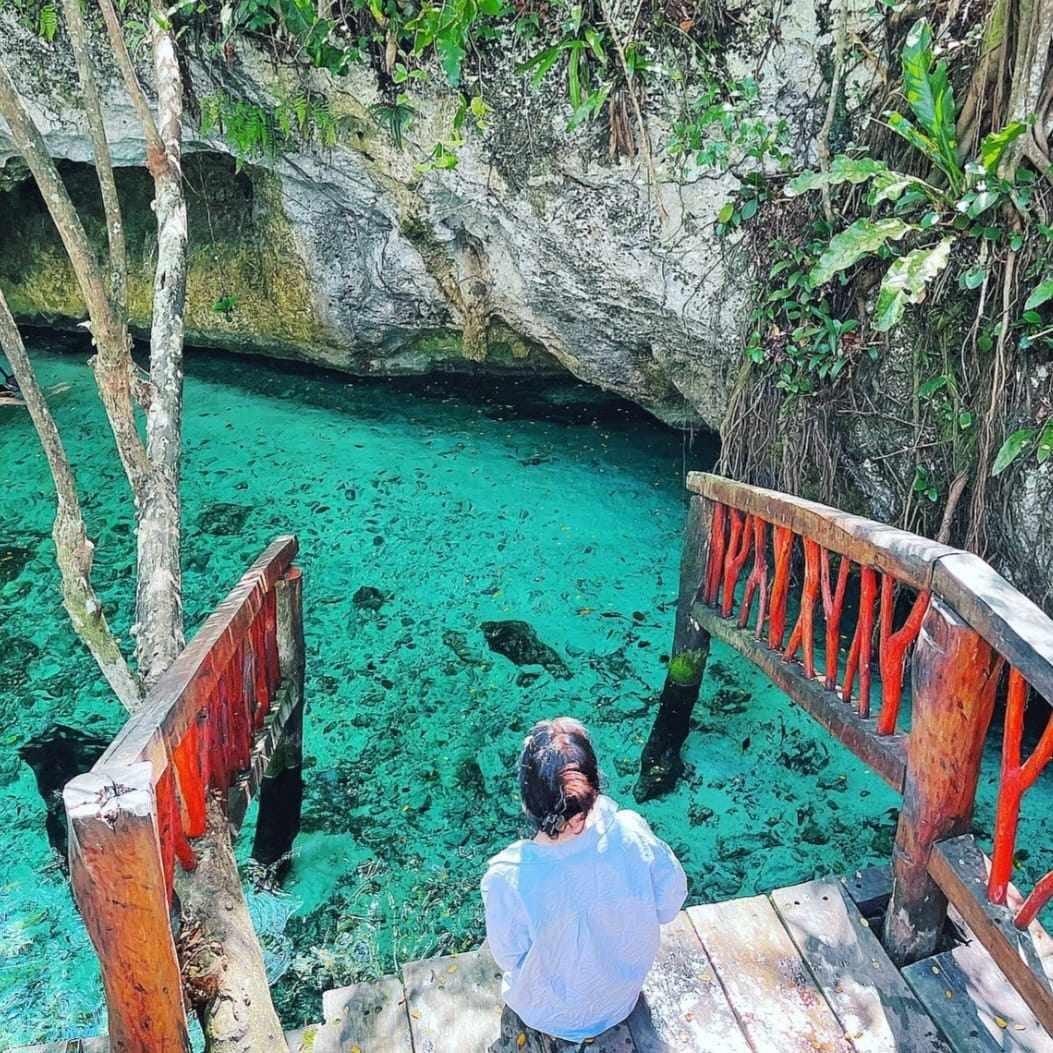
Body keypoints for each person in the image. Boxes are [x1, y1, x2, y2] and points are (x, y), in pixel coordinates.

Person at [481, 717, 687, 1043]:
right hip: (622, 998)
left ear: (527, 800)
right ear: (594, 785)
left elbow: (509, 957)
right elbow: (670, 903)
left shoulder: (508, 878)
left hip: (547, 1014)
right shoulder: (632, 832)